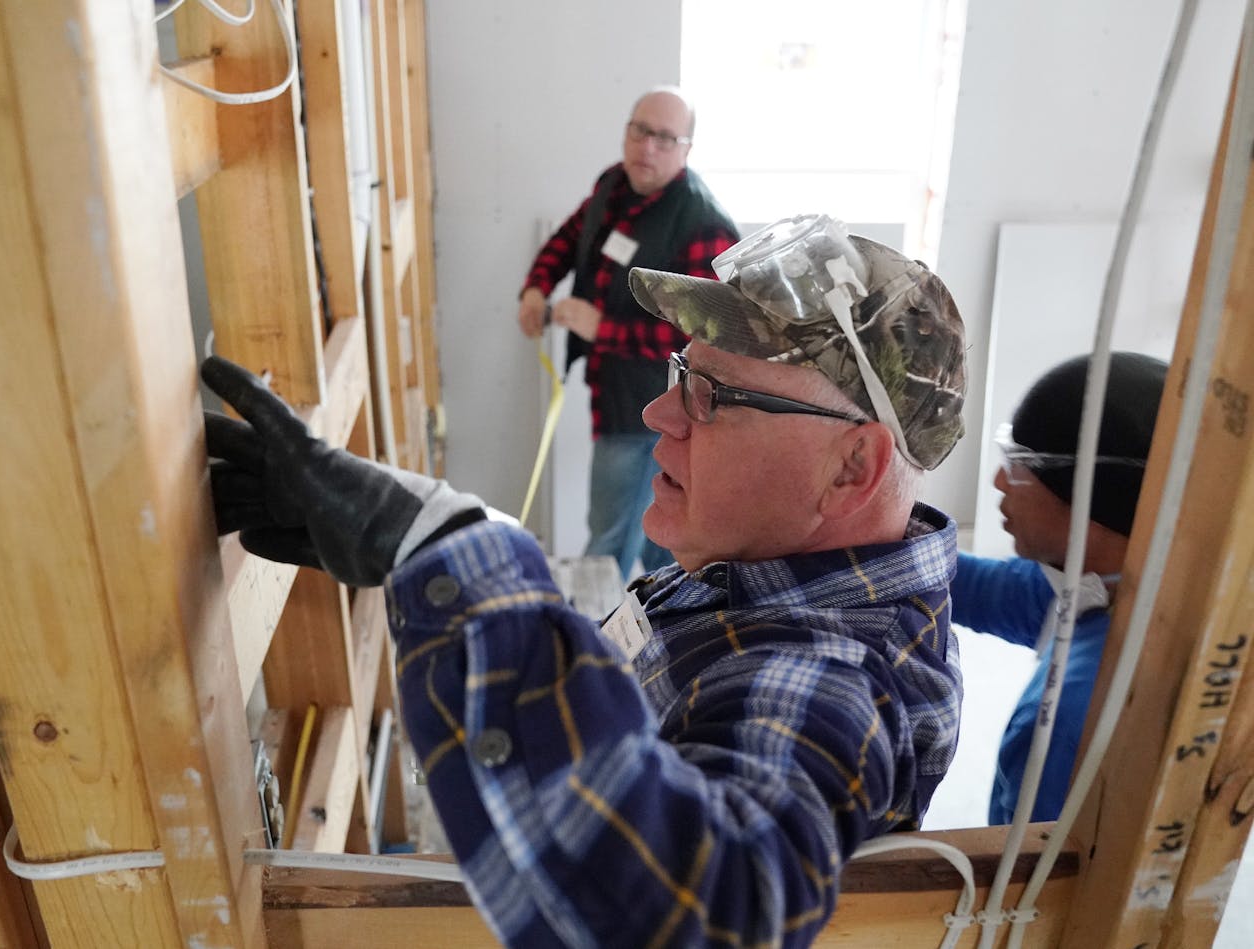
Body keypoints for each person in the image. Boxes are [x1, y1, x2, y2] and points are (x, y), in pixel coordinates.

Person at [203, 214, 968, 947]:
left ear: (852, 467)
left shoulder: (834, 676)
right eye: (680, 374)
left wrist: (453, 559)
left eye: (713, 395)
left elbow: (699, 913)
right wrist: (429, 552)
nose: (660, 412)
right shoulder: (771, 576)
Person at [516, 86, 739, 577]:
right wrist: (536, 289)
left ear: (686, 149)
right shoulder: (613, 186)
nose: (647, 148)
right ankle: (675, 618)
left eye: (665, 138)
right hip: (611, 391)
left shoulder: (704, 224)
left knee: (608, 538)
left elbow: (705, 336)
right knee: (660, 542)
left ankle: (593, 643)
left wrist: (604, 328)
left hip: (652, 409)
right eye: (640, 131)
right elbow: (570, 238)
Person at [952, 352, 1166, 825]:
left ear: (1091, 493)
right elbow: (985, 589)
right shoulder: (1118, 588)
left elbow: (1031, 887)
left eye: (1020, 465)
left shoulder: (1065, 721)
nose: (999, 480)